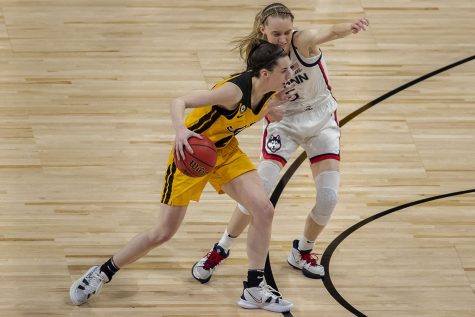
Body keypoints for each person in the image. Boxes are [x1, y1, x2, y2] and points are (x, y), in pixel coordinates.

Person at [69, 40, 297, 313]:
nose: (290, 75)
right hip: (191, 155)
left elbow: (256, 110)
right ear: (264, 73)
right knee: (162, 233)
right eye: (284, 71)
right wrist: (180, 131)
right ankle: (102, 272)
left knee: (263, 210)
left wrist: (275, 107)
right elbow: (179, 101)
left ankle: (253, 289)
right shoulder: (232, 92)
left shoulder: (267, 92)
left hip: (224, 152)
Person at [192, 3, 369, 283]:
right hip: (284, 124)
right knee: (257, 195)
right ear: (263, 30)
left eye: (287, 32)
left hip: (321, 120)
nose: (283, 39)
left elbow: (329, 32)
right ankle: (221, 248)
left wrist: (350, 27)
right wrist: (271, 103)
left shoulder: (302, 42)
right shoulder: (258, 59)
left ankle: (303, 251)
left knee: (328, 198)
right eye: (276, 34)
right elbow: (255, 99)